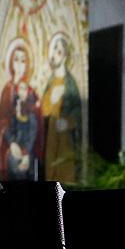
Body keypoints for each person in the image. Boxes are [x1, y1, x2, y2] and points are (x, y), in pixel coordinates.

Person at [0, 40, 44, 181]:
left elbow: (36, 126)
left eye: (23, 61)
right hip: (10, 142)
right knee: (13, 163)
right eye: (16, 60)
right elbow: (3, 122)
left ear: (27, 65)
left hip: (28, 146)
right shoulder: (7, 90)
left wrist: (26, 152)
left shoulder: (31, 92)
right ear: (11, 63)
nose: (19, 65)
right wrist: (12, 143)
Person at [41, 33, 82, 182]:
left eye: (59, 52)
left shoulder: (70, 83)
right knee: (50, 174)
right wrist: (51, 101)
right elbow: (43, 110)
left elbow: (78, 113)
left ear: (65, 57)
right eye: (54, 50)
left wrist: (67, 123)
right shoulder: (50, 82)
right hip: (51, 137)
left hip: (65, 139)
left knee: (65, 175)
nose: (54, 55)